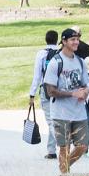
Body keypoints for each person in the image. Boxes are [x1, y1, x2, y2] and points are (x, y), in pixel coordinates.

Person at [41, 29, 89, 174]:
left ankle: (64, 167)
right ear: (64, 42)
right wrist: (72, 93)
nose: (76, 42)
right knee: (64, 147)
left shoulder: (81, 62)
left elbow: (87, 84)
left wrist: (85, 92)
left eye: (77, 39)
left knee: (83, 145)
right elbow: (50, 91)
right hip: (60, 112)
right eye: (72, 39)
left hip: (79, 112)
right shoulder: (55, 62)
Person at [35, 30, 61, 159]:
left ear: (46, 39)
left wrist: (31, 94)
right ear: (57, 39)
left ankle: (63, 144)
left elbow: (37, 76)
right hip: (59, 90)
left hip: (45, 90)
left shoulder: (41, 54)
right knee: (55, 119)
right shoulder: (61, 53)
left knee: (51, 120)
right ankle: (51, 150)